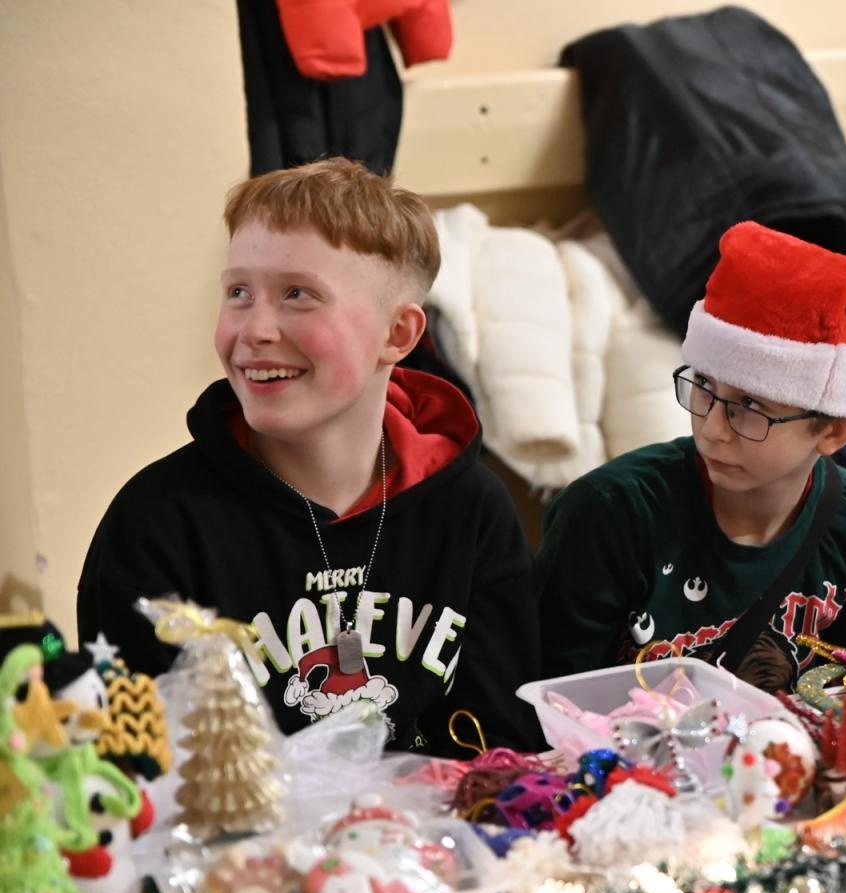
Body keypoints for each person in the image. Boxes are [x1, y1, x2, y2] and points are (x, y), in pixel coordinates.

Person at [78, 158, 543, 756]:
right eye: (238, 292)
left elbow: (502, 751)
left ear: (397, 335)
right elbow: (133, 772)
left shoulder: (472, 510)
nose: (254, 329)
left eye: (298, 294)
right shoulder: (156, 525)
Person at [535, 221, 846, 692]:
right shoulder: (609, 512)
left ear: (832, 431)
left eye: (751, 407)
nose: (711, 429)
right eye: (705, 387)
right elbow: (553, 705)